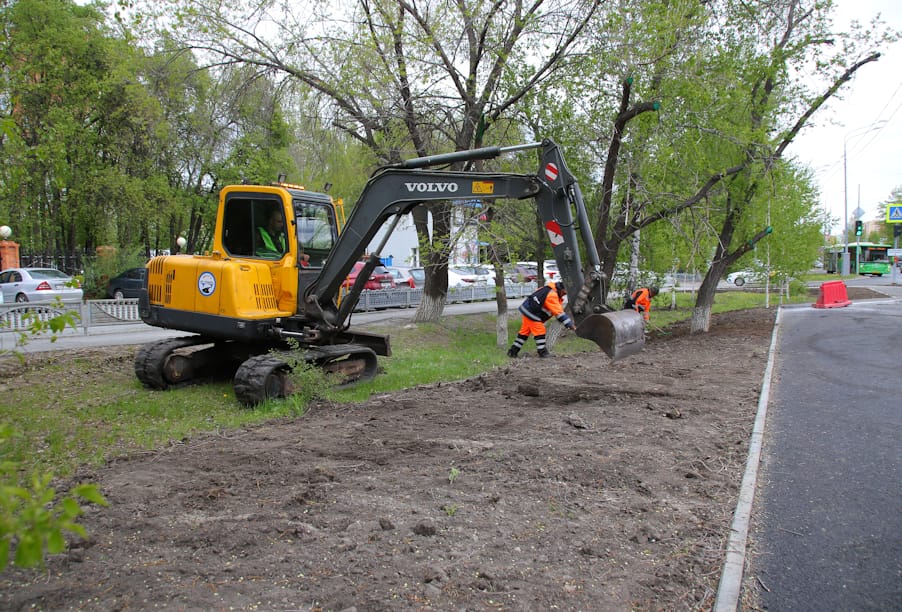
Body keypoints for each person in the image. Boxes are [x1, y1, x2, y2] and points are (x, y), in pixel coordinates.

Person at [507, 280, 576, 358]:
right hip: (532, 313)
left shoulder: (549, 289)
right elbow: (559, 313)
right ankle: (542, 352)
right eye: (565, 293)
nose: (565, 295)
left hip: (528, 310)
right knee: (540, 330)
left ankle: (512, 352)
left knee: (524, 333)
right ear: (562, 289)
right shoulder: (552, 295)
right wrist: (570, 325)